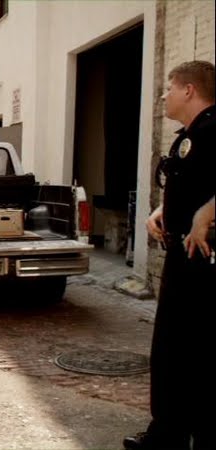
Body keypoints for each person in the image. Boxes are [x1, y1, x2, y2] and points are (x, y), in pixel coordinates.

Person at [125, 60, 215, 450]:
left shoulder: (214, 129)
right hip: (180, 254)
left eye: (170, 87)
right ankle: (168, 434)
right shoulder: (189, 136)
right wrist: (164, 210)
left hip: (205, 259)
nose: (164, 95)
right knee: (171, 349)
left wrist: (207, 212)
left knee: (200, 352)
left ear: (189, 90)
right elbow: (194, 183)